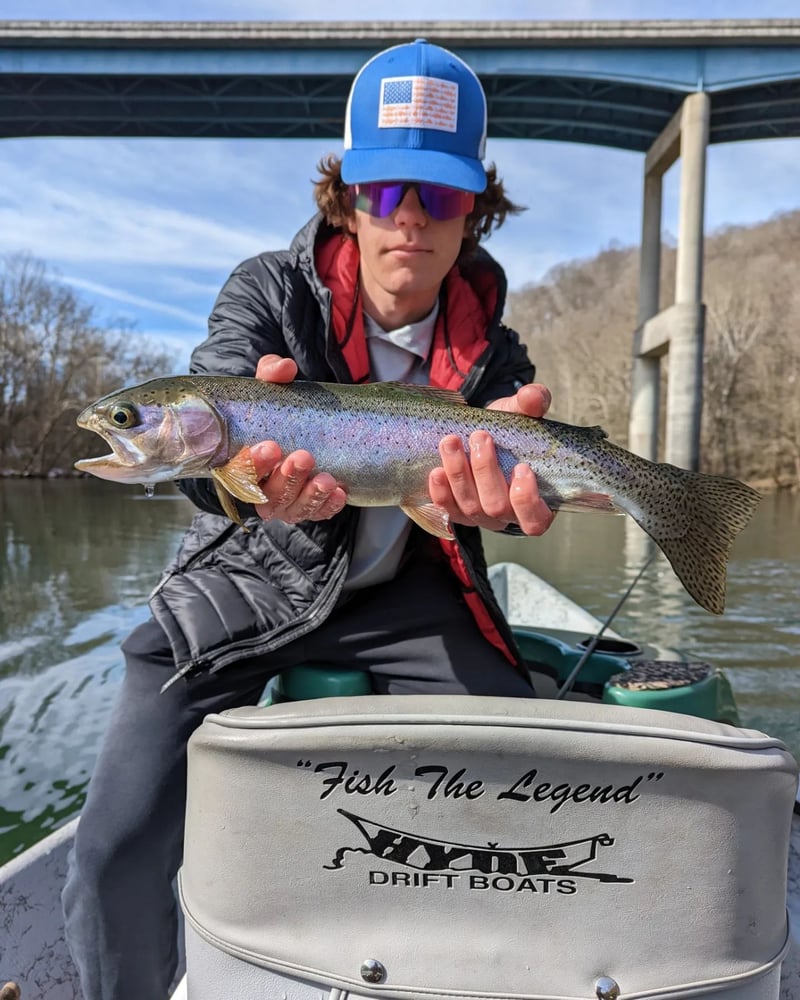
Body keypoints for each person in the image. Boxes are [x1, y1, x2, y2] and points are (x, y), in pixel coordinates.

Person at [62, 38, 556, 1000]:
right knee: (116, 842)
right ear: (345, 200)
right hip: (259, 571)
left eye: (441, 196)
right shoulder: (267, 290)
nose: (409, 217)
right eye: (383, 192)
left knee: (516, 784)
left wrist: (514, 509)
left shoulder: (497, 344)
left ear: (473, 214)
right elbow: (205, 456)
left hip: (422, 594)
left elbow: (494, 502)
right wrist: (235, 481)